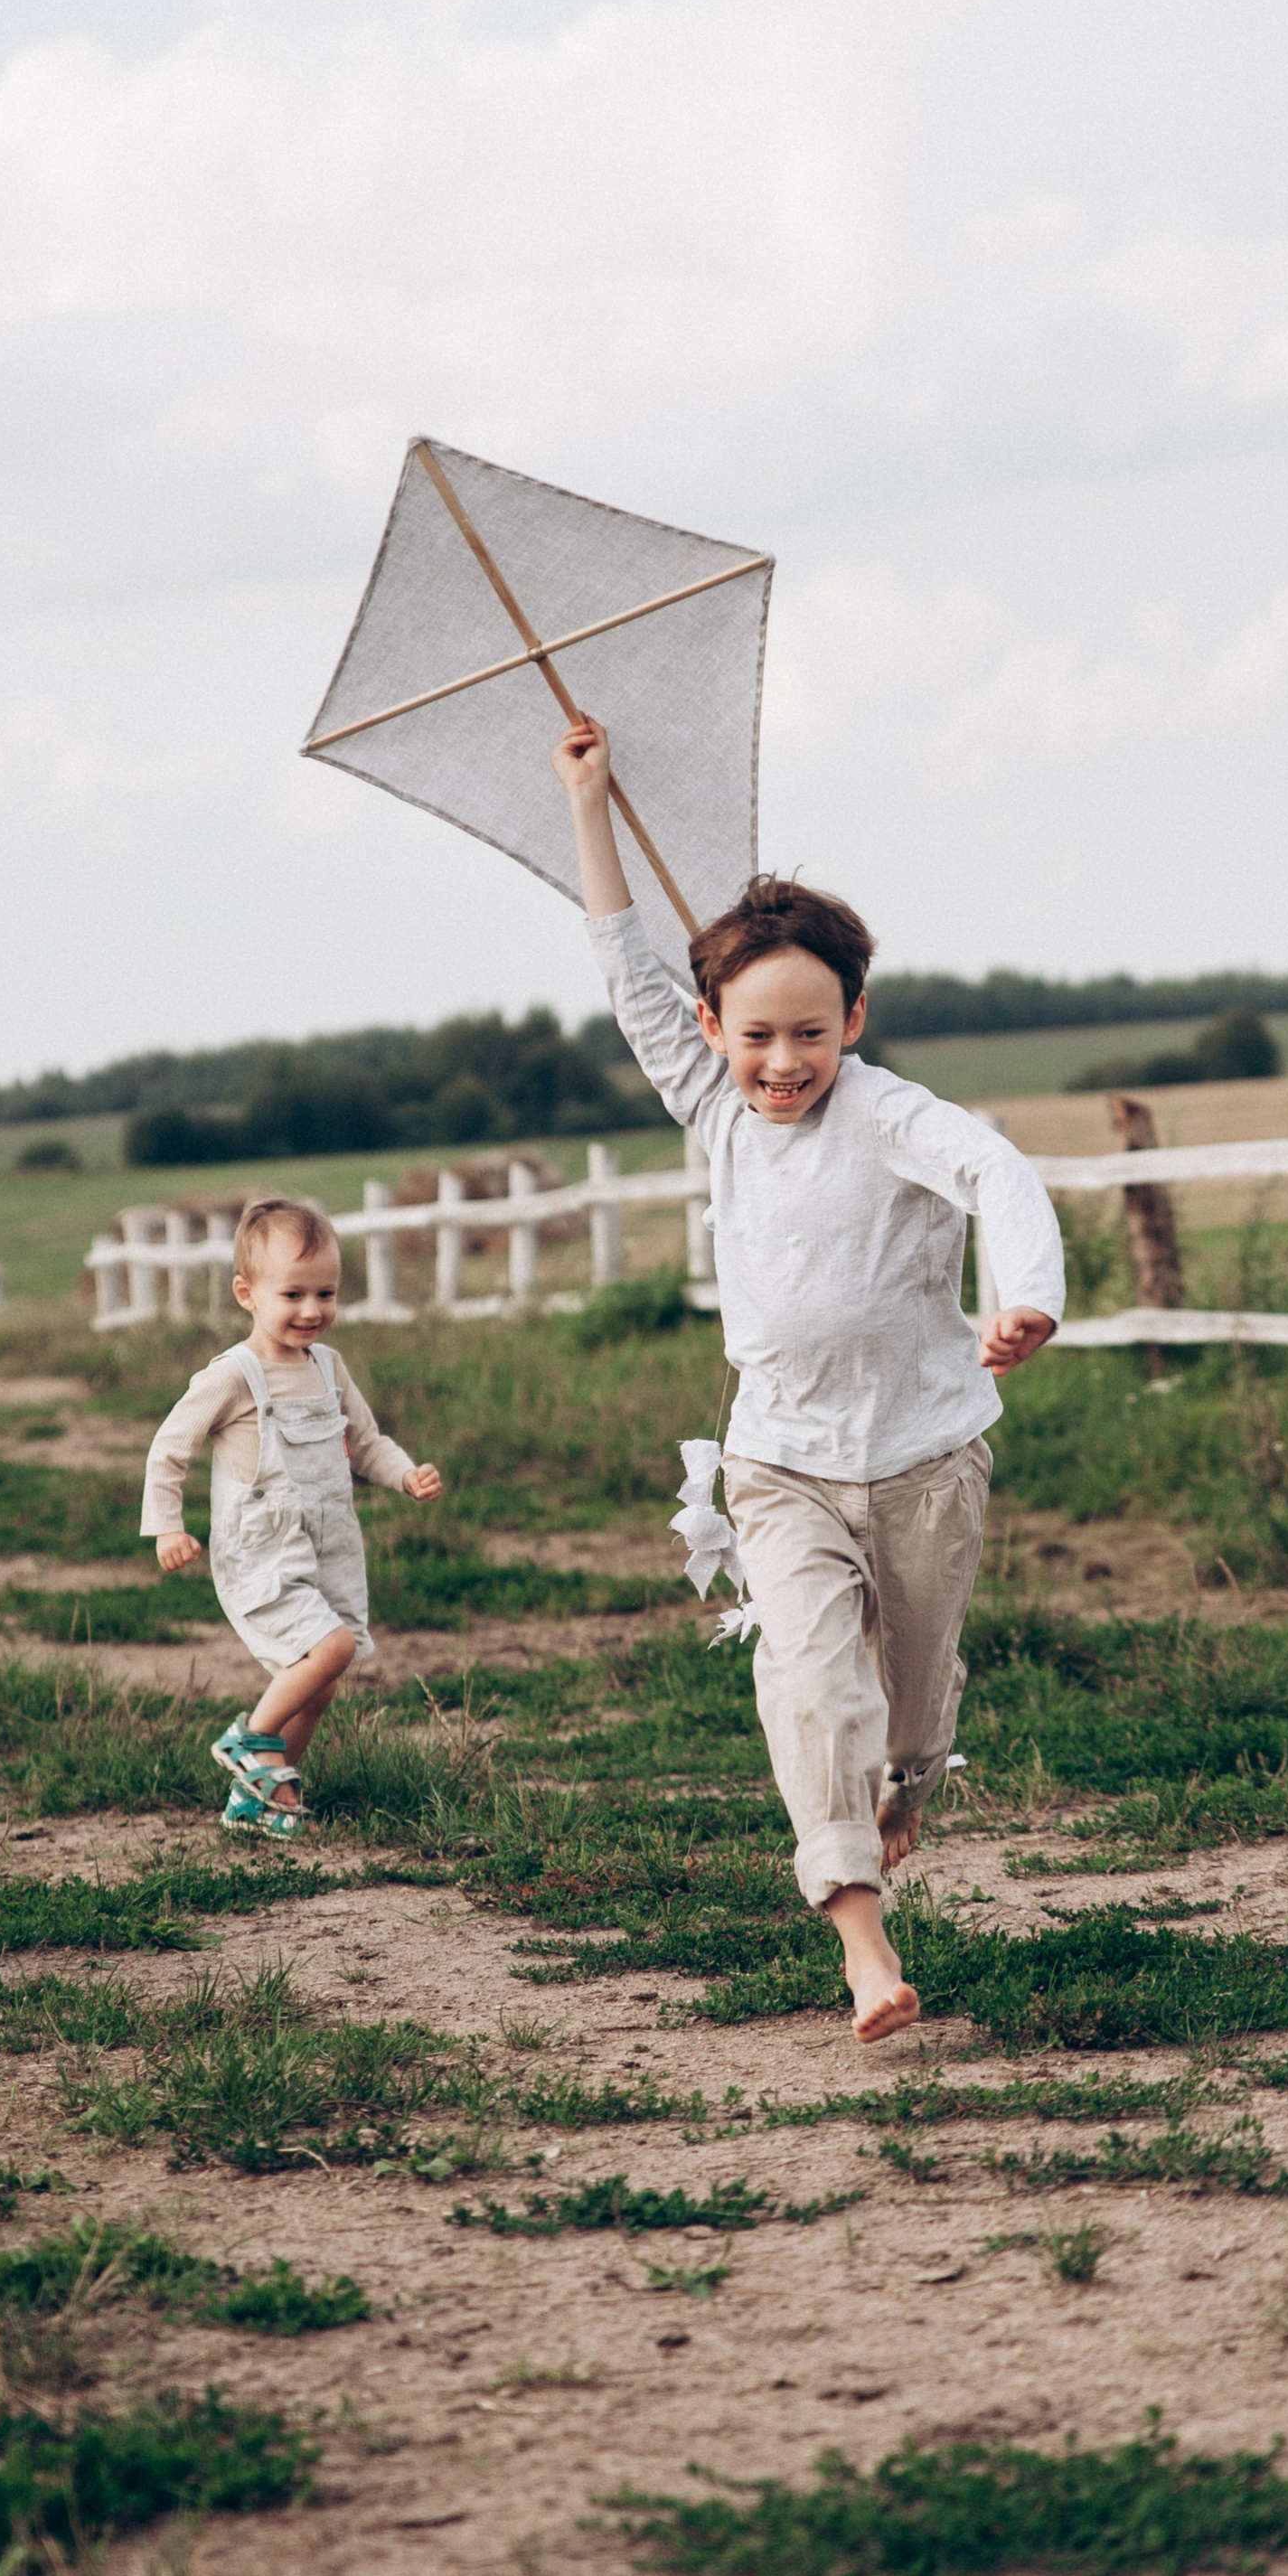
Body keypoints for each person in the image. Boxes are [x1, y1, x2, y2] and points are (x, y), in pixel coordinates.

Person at [557, 717, 1064, 2041]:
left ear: (853, 1020)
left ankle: (909, 1783)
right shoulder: (715, 1107)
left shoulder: (886, 1114)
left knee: (909, 1699)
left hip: (924, 1460)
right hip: (779, 1463)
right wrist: (590, 805)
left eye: (809, 1034)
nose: (781, 1063)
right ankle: (862, 1944)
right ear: (712, 1026)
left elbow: (996, 1171)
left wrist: (1026, 1296)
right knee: (810, 1681)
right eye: (755, 1035)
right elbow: (623, 964)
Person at [141, 1193, 442, 1834]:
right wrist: (167, 1525)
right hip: (263, 1552)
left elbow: (366, 1442)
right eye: (293, 1295)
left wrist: (404, 1473)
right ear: (246, 1294)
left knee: (320, 1682)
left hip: (327, 1548)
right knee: (332, 1648)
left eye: (326, 1294)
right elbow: (169, 1448)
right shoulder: (234, 1375)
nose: (312, 1310)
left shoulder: (329, 1368)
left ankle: (262, 1797)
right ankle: (249, 1740)